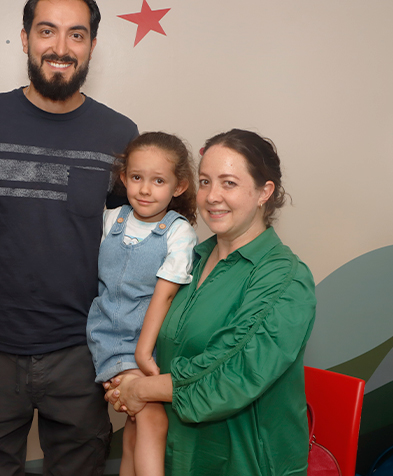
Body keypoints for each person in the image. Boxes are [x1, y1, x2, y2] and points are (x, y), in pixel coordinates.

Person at [0, 0, 138, 475]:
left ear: (92, 45)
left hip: (82, 349)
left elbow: (133, 244)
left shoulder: (120, 134)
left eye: (76, 35)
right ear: (25, 38)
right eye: (47, 31)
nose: (60, 47)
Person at [105, 129, 316, 475]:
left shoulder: (284, 278)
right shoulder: (188, 260)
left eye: (229, 183)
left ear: (264, 192)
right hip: (177, 457)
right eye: (205, 182)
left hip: (243, 463)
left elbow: (231, 375)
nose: (212, 196)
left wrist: (140, 389)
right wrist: (122, 378)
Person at [86, 132, 198, 476]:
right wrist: (140, 355)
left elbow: (166, 294)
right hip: (113, 338)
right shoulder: (110, 220)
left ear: (179, 186)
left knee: (136, 428)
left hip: (151, 345)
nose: (145, 189)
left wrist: (145, 353)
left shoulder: (179, 231)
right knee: (153, 419)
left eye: (158, 181)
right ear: (123, 178)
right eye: (137, 177)